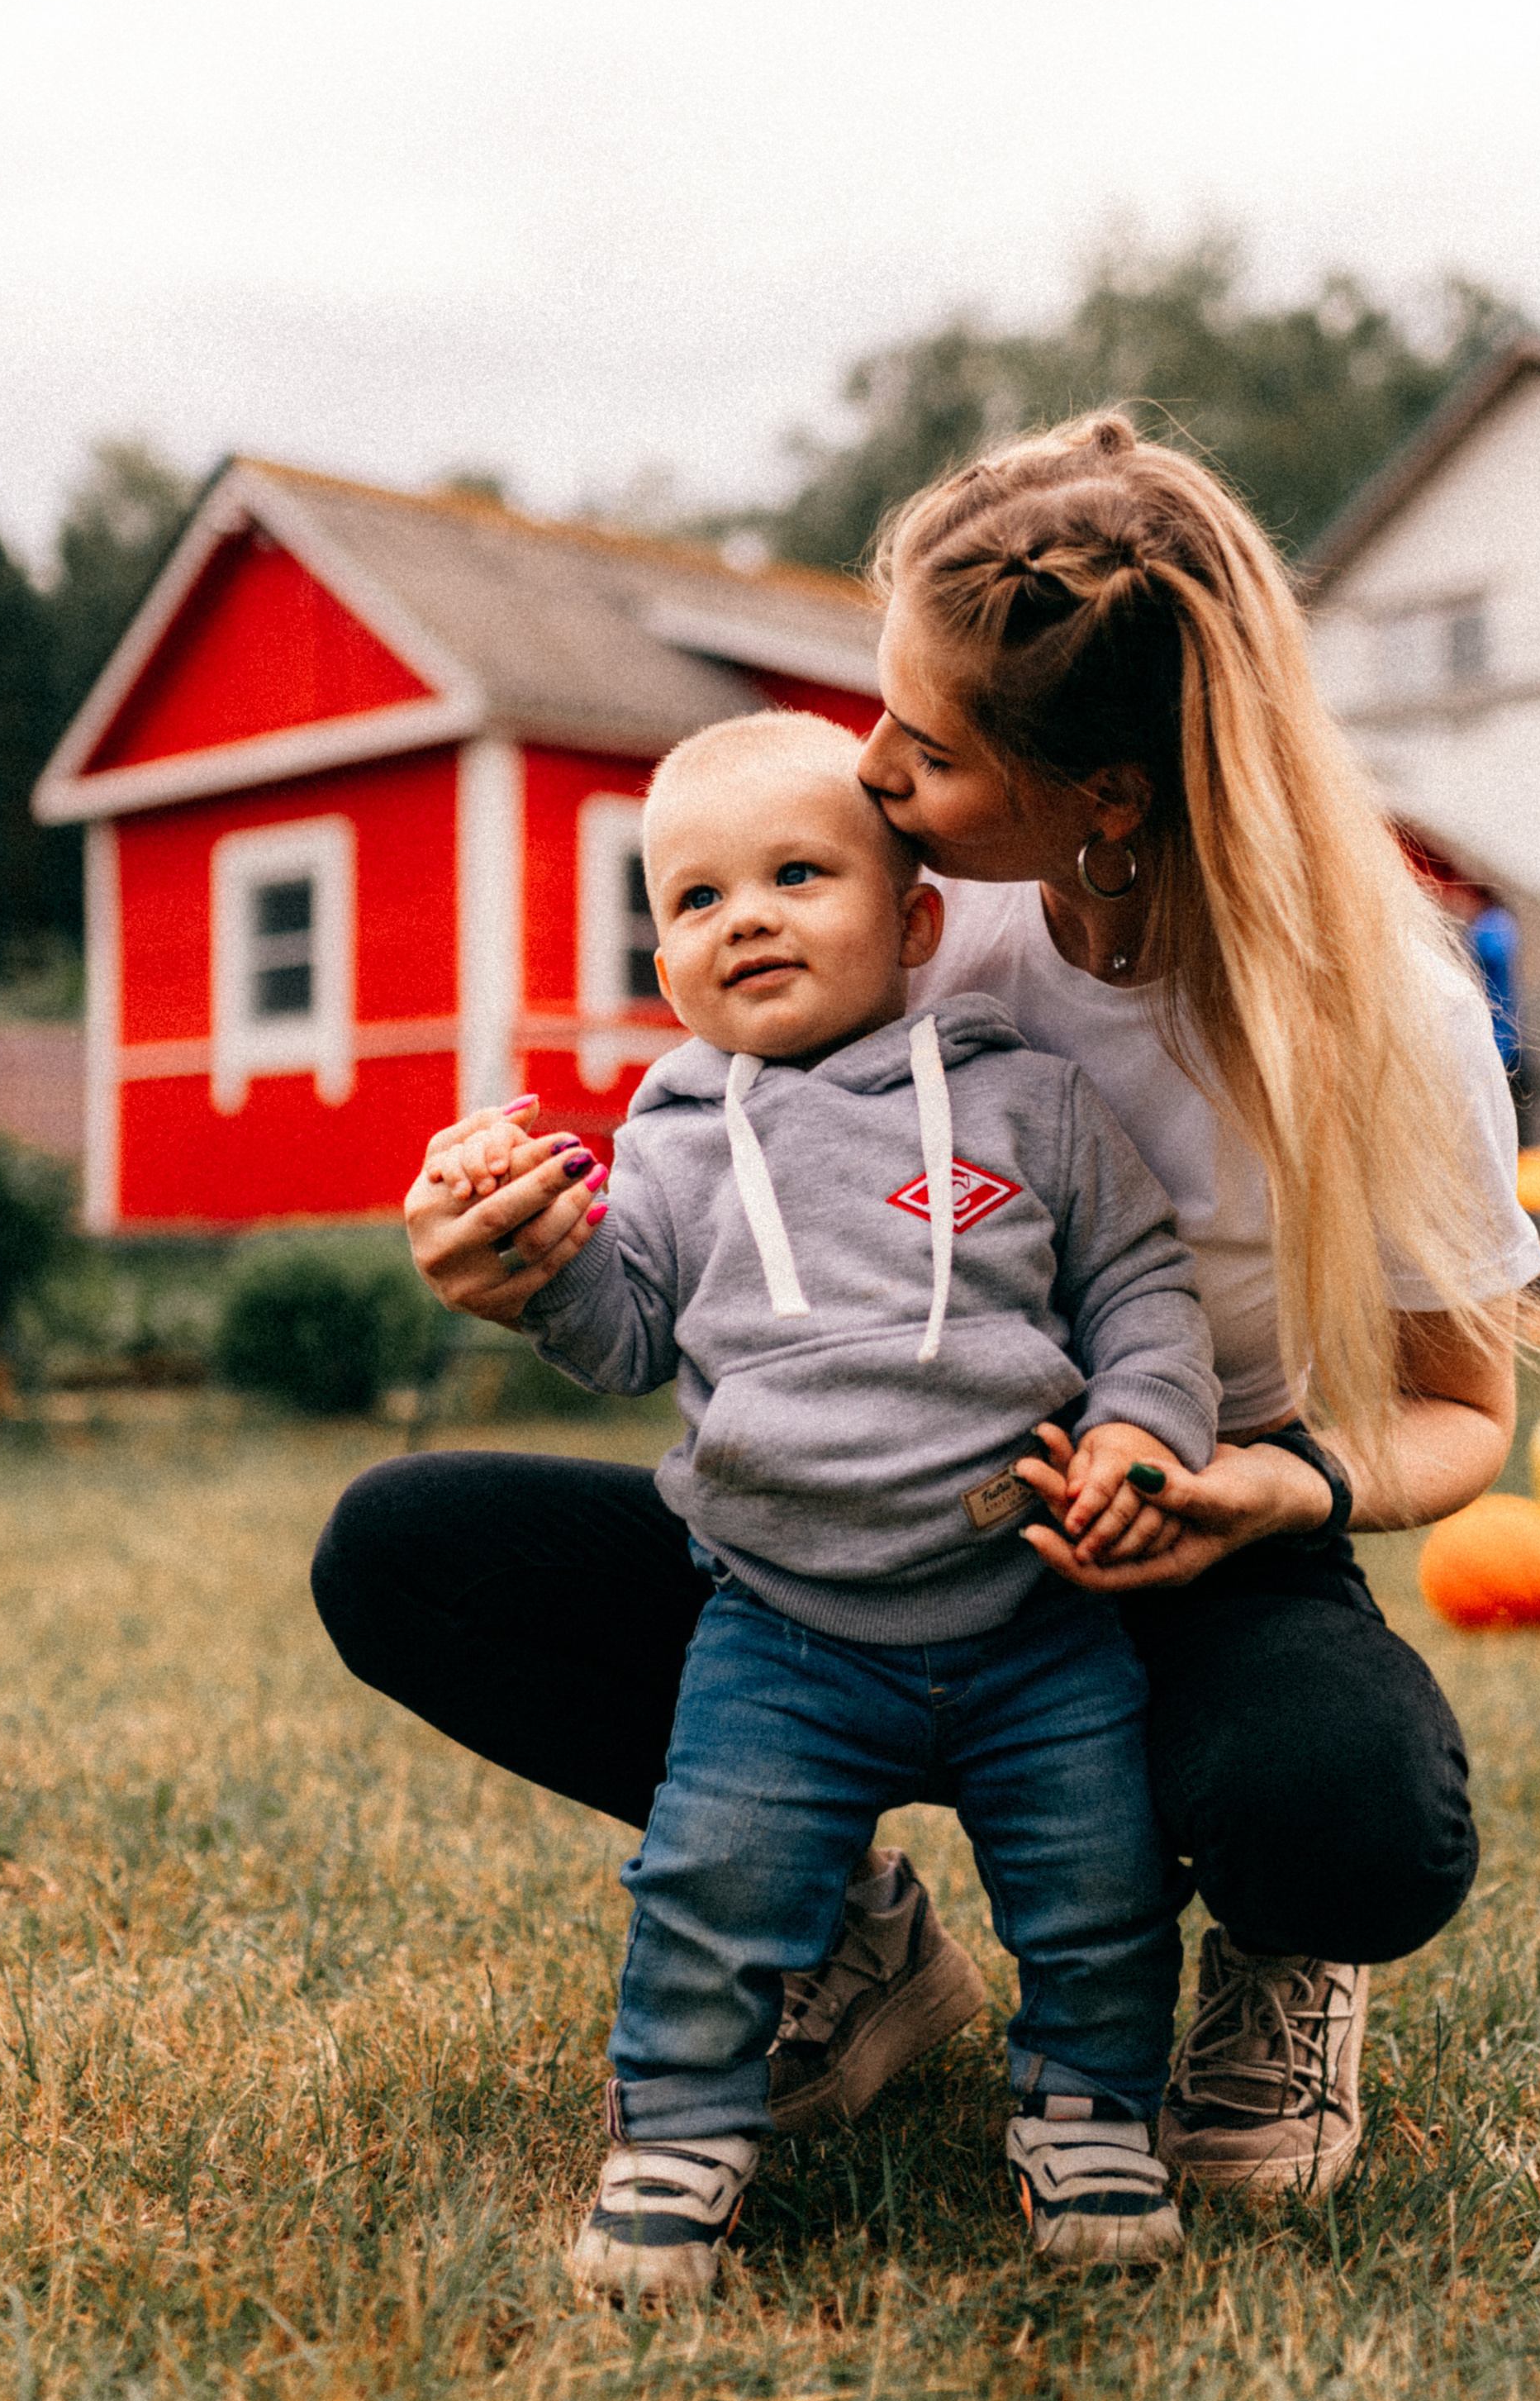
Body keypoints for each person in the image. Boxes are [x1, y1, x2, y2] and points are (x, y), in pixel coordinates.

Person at [312, 409, 1540, 2223]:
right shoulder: (908, 921)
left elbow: (1461, 1413)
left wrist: (1257, 1489)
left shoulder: (1386, 1020)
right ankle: (841, 1930)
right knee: (405, 1549)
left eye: (931, 747)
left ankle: (1279, 1953)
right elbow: (684, 1194)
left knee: (1351, 1810)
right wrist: (509, 1241)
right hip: (836, 1552)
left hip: (1182, 1531)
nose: (870, 777)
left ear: (1105, 794)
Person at [497, 709, 1215, 2296]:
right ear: (665, 960)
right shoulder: (671, 1146)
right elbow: (623, 1342)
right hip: (786, 1630)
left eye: (795, 874)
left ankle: (1091, 2115)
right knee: (712, 1883)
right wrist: (546, 1277)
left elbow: (1145, 1292)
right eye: (693, 901)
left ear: (912, 921)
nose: (742, 915)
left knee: (1098, 1881)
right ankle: (679, 2134)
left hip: (1037, 1604)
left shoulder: (1029, 1102)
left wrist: (1145, 1430)